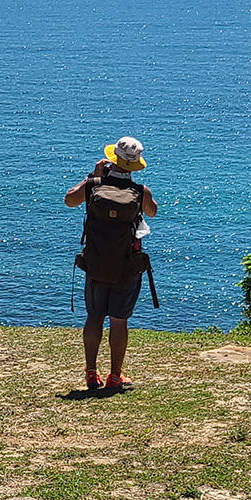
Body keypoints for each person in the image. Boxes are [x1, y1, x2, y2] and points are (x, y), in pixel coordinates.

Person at [64, 136, 158, 391]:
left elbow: (69, 200)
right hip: (127, 266)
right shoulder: (140, 192)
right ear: (135, 164)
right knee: (119, 320)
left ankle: (91, 373)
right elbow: (152, 212)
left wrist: (93, 177)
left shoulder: (93, 185)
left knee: (94, 317)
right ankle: (115, 376)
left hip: (95, 263)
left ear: (111, 159)